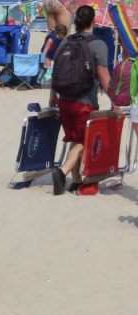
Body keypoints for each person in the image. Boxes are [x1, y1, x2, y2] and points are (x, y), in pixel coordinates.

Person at [49, 5, 110, 196]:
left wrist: (52, 96)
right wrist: (115, 100)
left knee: (75, 139)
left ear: (76, 21)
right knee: (84, 140)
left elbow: (55, 70)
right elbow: (104, 76)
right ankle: (62, 171)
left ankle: (75, 181)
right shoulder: (98, 44)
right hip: (84, 100)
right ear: (94, 21)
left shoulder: (65, 41)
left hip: (64, 100)